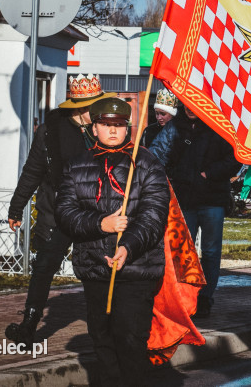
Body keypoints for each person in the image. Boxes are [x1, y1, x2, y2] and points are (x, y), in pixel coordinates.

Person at [56, 97, 169, 386]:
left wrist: (128, 245)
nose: (113, 130)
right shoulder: (76, 165)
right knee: (102, 338)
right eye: (106, 125)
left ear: (128, 128)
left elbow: (154, 215)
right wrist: (100, 224)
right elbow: (65, 213)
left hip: (136, 269)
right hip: (95, 269)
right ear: (94, 127)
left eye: (119, 125)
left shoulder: (146, 163)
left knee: (129, 339)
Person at [5, 74, 116, 347]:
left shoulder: (101, 130)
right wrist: (16, 207)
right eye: (94, 106)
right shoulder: (50, 132)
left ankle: (106, 328)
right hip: (59, 213)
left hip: (94, 215)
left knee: (99, 268)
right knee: (43, 268)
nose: (99, 112)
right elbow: (32, 172)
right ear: (80, 108)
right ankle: (29, 326)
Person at [150, 104, 240, 318]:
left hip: (212, 199)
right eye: (186, 104)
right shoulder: (174, 128)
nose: (191, 109)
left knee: (210, 252)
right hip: (185, 199)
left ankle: (206, 297)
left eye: (194, 104)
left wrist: (208, 173)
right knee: (183, 252)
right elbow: (156, 155)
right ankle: (184, 296)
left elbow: (234, 159)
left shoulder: (218, 126)